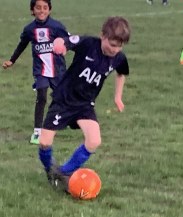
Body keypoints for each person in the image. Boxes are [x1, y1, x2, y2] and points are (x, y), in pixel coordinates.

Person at [39, 16, 131, 191]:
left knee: (94, 140)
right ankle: (50, 170)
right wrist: (60, 44)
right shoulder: (89, 43)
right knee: (44, 142)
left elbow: (121, 74)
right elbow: (66, 41)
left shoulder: (119, 57)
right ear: (102, 35)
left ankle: (64, 172)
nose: (115, 49)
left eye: (119, 46)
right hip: (64, 100)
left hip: (85, 105)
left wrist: (118, 97)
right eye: (112, 44)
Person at [2, 0, 69, 145]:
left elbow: (70, 41)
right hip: (40, 71)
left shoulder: (57, 27)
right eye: (38, 8)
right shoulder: (29, 29)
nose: (42, 11)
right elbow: (22, 45)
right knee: (42, 96)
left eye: (45, 8)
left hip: (57, 70)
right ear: (32, 10)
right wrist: (12, 60)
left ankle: (64, 121)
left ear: (49, 10)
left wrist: (69, 48)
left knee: (61, 98)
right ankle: (37, 131)